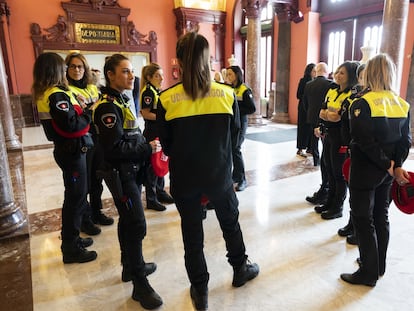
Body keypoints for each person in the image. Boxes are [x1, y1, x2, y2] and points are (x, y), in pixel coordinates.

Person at [157, 32, 259, 311]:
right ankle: (240, 269)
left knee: (192, 236)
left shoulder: (166, 99)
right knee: (230, 223)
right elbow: (236, 138)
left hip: (185, 178)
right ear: (208, 60)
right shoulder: (227, 94)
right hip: (219, 176)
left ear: (178, 61)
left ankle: (200, 290)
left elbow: (166, 144)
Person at [92, 54, 162, 309]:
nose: (132, 76)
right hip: (121, 173)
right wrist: (146, 147)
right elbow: (114, 150)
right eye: (125, 71)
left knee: (128, 219)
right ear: (110, 75)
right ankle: (140, 285)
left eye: (132, 71)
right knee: (136, 224)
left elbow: (129, 134)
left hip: (131, 170)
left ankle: (129, 266)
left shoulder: (122, 98)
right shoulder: (107, 107)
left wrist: (142, 146)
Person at [340, 53, 411, 287]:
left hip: (366, 170)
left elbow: (364, 141)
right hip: (387, 174)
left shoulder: (362, 103)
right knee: (381, 215)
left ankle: (368, 272)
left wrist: (389, 165)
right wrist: (396, 165)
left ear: (369, 73)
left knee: (362, 218)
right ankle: (379, 264)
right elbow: (405, 140)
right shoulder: (401, 103)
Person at [32, 52, 97, 264]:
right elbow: (71, 125)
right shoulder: (55, 94)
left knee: (76, 196)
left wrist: (81, 110)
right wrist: (88, 113)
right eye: (63, 67)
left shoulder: (52, 92)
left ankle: (74, 237)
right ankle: (70, 246)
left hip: (67, 149)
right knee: (76, 198)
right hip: (71, 150)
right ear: (55, 70)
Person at [65, 52, 114, 236]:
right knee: (82, 184)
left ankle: (96, 211)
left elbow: (99, 108)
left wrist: (91, 106)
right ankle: (85, 219)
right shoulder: (66, 90)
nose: (77, 70)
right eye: (72, 66)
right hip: (81, 141)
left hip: (98, 138)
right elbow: (80, 114)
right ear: (66, 69)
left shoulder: (93, 88)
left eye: (80, 66)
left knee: (97, 179)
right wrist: (90, 108)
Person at [316, 61, 359, 220]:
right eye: (337, 71)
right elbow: (323, 112)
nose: (337, 75)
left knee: (338, 172)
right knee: (327, 167)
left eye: (342, 73)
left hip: (341, 137)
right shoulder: (332, 90)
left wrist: (330, 114)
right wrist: (329, 116)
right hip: (329, 134)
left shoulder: (352, 94)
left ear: (351, 76)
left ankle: (337, 206)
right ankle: (329, 201)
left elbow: (337, 117)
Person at [337, 63, 366, 245]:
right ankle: (352, 222)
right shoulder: (355, 96)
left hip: (365, 151)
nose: (363, 79)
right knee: (354, 191)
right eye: (361, 76)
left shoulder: (369, 99)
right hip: (351, 146)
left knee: (363, 196)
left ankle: (358, 229)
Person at [140, 62, 174, 211]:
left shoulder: (157, 90)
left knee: (160, 163)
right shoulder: (148, 92)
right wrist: (164, 118)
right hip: (152, 133)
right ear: (149, 77)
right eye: (157, 75)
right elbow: (145, 113)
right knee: (152, 167)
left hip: (159, 131)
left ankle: (160, 192)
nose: (161, 78)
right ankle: (151, 198)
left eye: (161, 74)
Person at [303, 62, 332, 204]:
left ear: (316, 71)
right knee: (325, 145)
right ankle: (322, 164)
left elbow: (304, 103)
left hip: (312, 117)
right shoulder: (331, 84)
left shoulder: (309, 84)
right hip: (325, 119)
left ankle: (316, 160)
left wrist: (310, 113)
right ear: (327, 72)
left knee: (313, 143)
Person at [225, 65, 256, 192]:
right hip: (230, 123)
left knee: (236, 149)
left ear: (237, 75)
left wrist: (236, 110)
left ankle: (242, 179)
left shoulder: (244, 90)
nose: (227, 77)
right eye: (227, 74)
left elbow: (252, 108)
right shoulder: (227, 88)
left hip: (240, 123)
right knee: (231, 149)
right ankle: (235, 176)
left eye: (230, 74)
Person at [296, 63, 315, 158]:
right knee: (303, 128)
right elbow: (298, 95)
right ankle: (300, 148)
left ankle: (309, 148)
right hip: (303, 107)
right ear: (309, 71)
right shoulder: (304, 81)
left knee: (310, 128)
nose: (315, 73)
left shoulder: (315, 81)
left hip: (311, 108)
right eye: (313, 71)